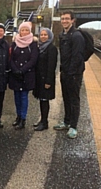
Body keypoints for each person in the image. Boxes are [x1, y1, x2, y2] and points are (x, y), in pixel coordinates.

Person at [53, 10, 85, 139]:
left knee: (74, 100)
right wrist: (63, 71)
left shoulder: (77, 36)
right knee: (66, 98)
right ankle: (66, 121)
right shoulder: (62, 35)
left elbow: (77, 57)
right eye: (62, 19)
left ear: (73, 20)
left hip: (74, 74)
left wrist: (71, 73)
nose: (64, 21)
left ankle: (73, 126)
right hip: (65, 72)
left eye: (67, 19)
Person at [9, 21, 39, 130]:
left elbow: (33, 59)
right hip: (15, 75)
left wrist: (23, 70)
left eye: (27, 30)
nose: (25, 32)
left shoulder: (33, 44)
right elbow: (11, 58)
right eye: (23, 30)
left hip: (27, 75)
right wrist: (15, 70)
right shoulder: (14, 43)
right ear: (20, 31)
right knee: (16, 97)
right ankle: (18, 117)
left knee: (24, 96)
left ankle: (23, 119)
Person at [32, 27, 58, 131]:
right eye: (41, 35)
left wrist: (48, 81)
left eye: (45, 35)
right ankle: (42, 120)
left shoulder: (51, 48)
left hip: (45, 79)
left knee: (44, 101)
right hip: (39, 79)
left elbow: (51, 67)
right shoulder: (40, 47)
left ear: (50, 36)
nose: (43, 37)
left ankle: (44, 122)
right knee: (41, 100)